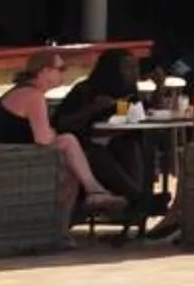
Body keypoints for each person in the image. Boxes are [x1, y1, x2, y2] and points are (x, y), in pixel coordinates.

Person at [0, 52, 122, 217]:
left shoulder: (24, 91)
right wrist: (53, 133)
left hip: (7, 155)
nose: (63, 73)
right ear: (45, 71)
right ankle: (95, 192)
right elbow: (43, 139)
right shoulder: (33, 96)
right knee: (68, 142)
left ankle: (87, 200)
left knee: (72, 165)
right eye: (60, 68)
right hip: (8, 159)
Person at [55, 49, 153, 206]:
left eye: (136, 68)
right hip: (85, 145)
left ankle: (139, 199)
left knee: (132, 145)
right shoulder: (86, 90)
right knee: (99, 155)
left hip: (115, 141)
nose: (135, 73)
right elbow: (62, 123)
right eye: (128, 68)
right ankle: (140, 200)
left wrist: (156, 92)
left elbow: (131, 117)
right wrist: (93, 108)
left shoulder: (127, 92)